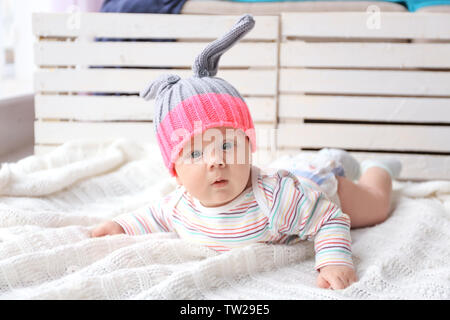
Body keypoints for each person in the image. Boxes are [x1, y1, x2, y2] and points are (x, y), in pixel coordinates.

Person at [91, 14, 401, 290]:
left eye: (227, 145)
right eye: (196, 154)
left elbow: (329, 218)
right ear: (174, 169)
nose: (217, 161)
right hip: (292, 169)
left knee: (374, 207)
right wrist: (120, 226)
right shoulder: (179, 206)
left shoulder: (276, 198)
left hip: (317, 184)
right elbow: (152, 215)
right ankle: (336, 157)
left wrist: (334, 260)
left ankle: (378, 167)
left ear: (249, 147)